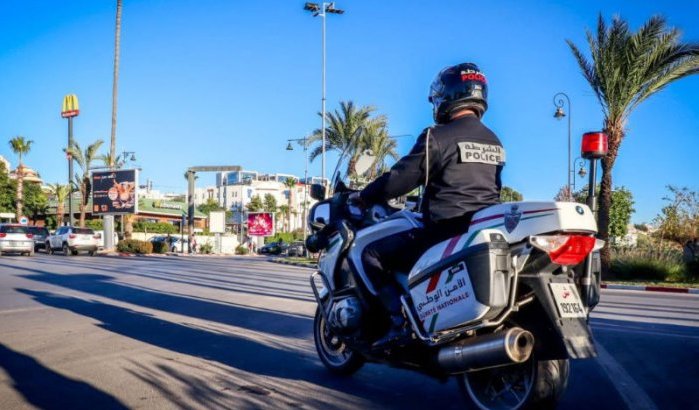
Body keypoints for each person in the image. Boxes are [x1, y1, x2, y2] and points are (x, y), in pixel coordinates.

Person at [351, 62, 505, 347]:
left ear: (447, 96)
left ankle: (396, 323)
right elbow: (494, 188)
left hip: (442, 229)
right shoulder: (494, 141)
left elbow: (400, 179)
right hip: (477, 231)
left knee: (370, 253)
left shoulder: (438, 135)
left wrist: (364, 196)